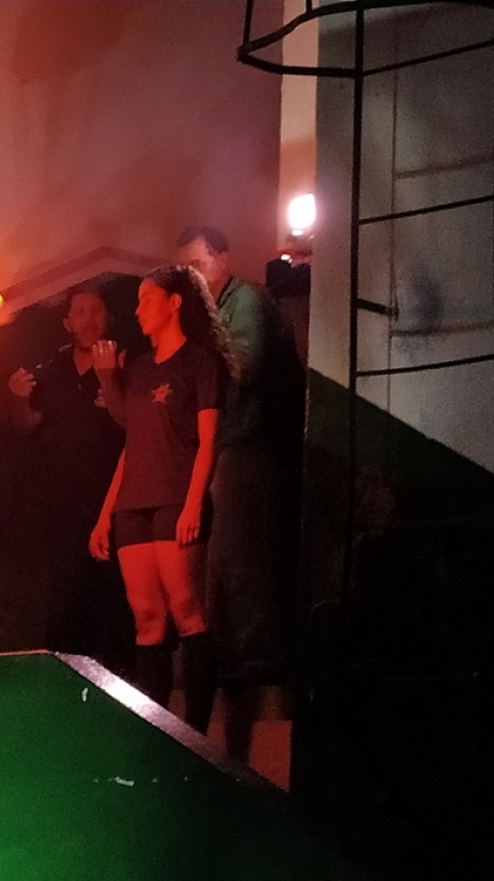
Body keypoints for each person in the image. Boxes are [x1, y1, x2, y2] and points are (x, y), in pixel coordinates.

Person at [89, 266, 230, 733]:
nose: (137, 310)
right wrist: (105, 515)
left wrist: (194, 504)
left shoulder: (199, 362)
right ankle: (157, 732)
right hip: (133, 503)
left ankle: (196, 733)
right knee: (147, 618)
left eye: (146, 299)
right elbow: (131, 440)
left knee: (186, 610)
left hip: (175, 498)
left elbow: (208, 442)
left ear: (174, 303)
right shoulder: (138, 366)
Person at [0, 275, 138, 674]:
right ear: (67, 322)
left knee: (113, 609)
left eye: (96, 311)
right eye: (80, 312)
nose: (88, 319)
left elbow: (132, 427)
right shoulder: (49, 369)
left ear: (108, 318)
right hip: (59, 508)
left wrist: (111, 382)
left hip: (111, 506)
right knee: (63, 608)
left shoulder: (125, 364)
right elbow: (25, 425)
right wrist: (17, 398)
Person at [176, 225, 296, 686]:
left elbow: (242, 368)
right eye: (185, 270)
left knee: (240, 553)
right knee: (217, 560)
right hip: (220, 447)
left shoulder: (246, 301)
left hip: (249, 444)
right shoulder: (208, 313)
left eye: (197, 265)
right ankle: (232, 657)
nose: (192, 277)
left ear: (223, 259)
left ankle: (258, 659)